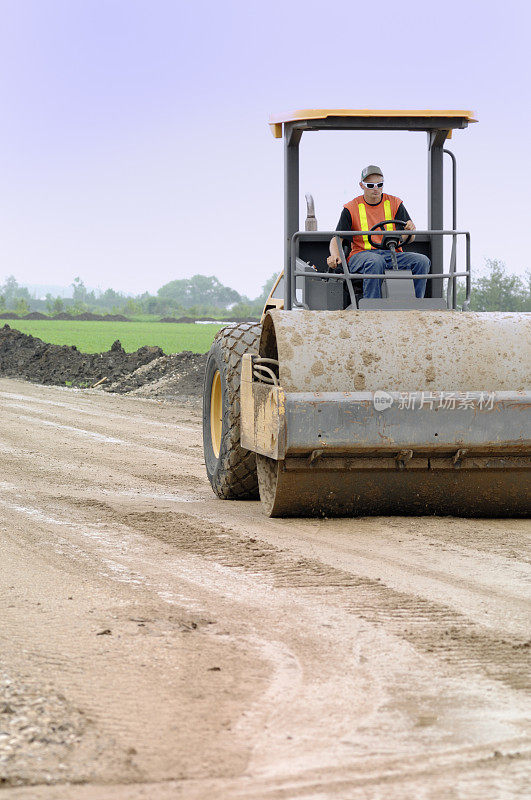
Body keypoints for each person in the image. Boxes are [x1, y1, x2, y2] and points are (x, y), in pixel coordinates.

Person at [327, 165, 430, 299]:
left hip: (391, 254)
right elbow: (337, 238)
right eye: (370, 185)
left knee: (422, 261)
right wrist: (335, 255)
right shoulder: (351, 208)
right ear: (361, 185)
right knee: (375, 261)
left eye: (379, 184)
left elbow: (408, 238)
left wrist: (410, 231)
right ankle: (372, 309)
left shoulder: (395, 203)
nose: (376, 188)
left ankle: (414, 306)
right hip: (361, 256)